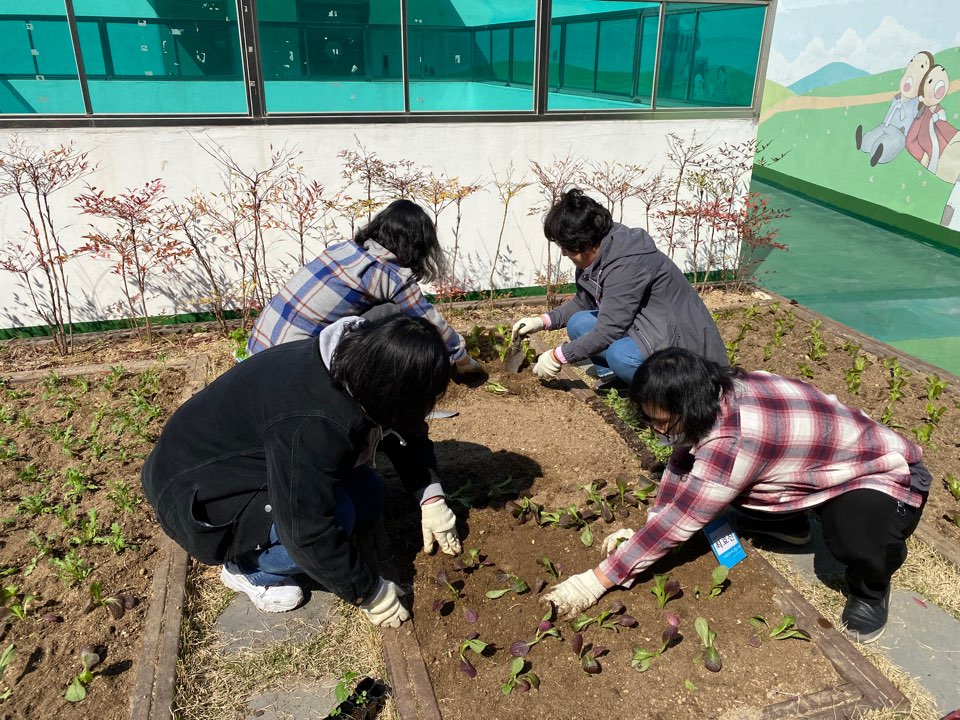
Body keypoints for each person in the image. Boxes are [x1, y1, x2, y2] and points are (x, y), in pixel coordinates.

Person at [543, 348, 930, 644]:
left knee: (851, 531)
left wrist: (596, 581)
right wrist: (649, 521)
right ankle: (791, 528)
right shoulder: (718, 392)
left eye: (663, 422)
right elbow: (681, 464)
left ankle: (873, 584)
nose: (658, 431)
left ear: (690, 409)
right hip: (819, 467)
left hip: (884, 474)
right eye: (651, 419)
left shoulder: (734, 442)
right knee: (734, 490)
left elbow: (681, 521)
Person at [142, 314, 462, 625]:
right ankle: (250, 570)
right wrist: (369, 593)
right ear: (388, 392)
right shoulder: (311, 424)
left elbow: (403, 426)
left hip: (231, 461)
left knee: (369, 494)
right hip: (197, 496)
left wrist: (430, 495)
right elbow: (305, 530)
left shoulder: (357, 359)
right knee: (338, 516)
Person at [511, 188, 727, 385]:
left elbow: (607, 332)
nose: (563, 253)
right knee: (579, 323)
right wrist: (542, 321)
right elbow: (582, 302)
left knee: (621, 356)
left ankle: (670, 397)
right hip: (650, 328)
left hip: (685, 349)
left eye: (565, 247)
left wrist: (558, 356)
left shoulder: (626, 263)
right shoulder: (599, 251)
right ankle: (617, 380)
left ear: (584, 243)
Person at [246, 198, 482, 376]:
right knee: (397, 316)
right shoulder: (390, 275)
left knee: (382, 313)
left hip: (257, 350)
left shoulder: (343, 249)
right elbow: (431, 321)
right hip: (287, 367)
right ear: (418, 244)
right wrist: (462, 360)